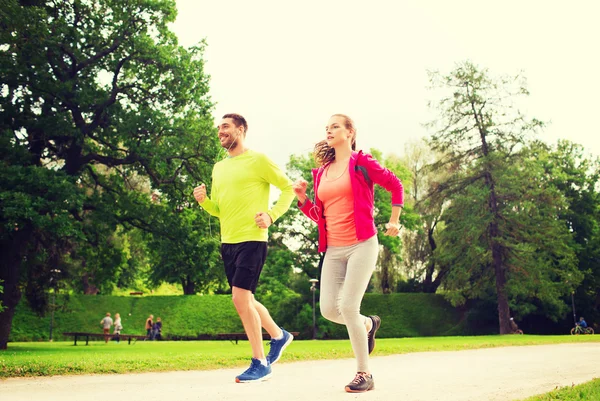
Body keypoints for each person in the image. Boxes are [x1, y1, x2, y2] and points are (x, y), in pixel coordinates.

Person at [292, 114, 404, 393]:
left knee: (348, 307)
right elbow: (321, 216)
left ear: (350, 132)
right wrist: (303, 199)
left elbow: (395, 184)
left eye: (335, 126)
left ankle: (364, 373)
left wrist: (395, 219)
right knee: (330, 309)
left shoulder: (362, 162)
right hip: (333, 249)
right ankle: (368, 324)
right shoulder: (321, 173)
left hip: (362, 244)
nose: (329, 131)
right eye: (326, 128)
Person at [193, 113, 295, 383]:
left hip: (253, 238)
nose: (220, 131)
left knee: (239, 298)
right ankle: (279, 335)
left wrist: (271, 215)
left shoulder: (258, 160)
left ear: (241, 130)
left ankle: (259, 362)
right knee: (246, 299)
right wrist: (204, 202)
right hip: (228, 242)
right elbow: (220, 210)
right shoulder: (218, 168)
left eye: (225, 126)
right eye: (218, 128)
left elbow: (288, 189)